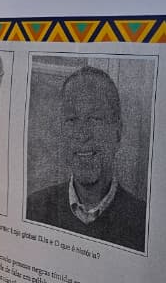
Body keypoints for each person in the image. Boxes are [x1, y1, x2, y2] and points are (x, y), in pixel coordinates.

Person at [25, 66, 147, 252]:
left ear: (118, 132)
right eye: (72, 120)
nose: (82, 135)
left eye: (95, 119)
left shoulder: (142, 222)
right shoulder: (35, 208)